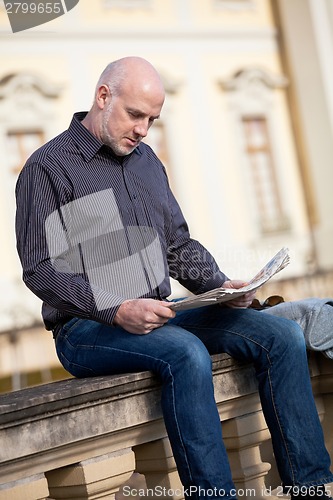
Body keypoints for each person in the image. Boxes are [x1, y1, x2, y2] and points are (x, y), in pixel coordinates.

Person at [15, 56, 333, 500]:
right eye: (135, 115)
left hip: (162, 316)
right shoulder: (48, 168)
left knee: (280, 335)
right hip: (87, 329)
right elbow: (40, 269)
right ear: (103, 97)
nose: (144, 129)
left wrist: (222, 289)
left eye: (152, 119)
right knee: (185, 353)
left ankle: (312, 488)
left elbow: (177, 247)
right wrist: (117, 308)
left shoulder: (147, 163)